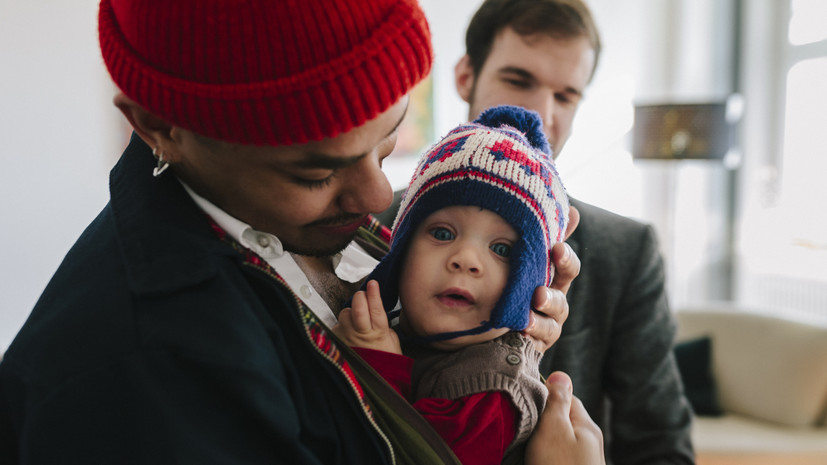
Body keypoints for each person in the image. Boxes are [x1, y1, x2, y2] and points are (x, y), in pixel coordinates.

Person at [0, 0, 605, 464]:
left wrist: (495, 345)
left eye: (387, 139)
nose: (376, 200)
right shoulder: (151, 373)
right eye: (317, 171)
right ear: (161, 128)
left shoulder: (297, 227)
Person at [452, 0, 695, 463]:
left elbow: (660, 446)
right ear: (466, 76)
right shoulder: (375, 222)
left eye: (566, 96)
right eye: (518, 80)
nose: (542, 114)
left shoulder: (626, 252)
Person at [334, 105, 570, 465]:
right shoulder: (395, 320)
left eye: (502, 249)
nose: (466, 260)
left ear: (530, 281)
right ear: (400, 250)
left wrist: (380, 366)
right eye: (442, 233)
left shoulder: (491, 396)